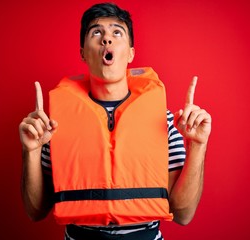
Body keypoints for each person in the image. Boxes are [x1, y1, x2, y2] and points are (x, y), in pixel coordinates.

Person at [19, 3, 212, 240]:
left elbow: (184, 215)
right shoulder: (54, 126)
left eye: (117, 32)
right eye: (96, 32)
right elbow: (36, 211)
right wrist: (31, 151)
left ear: (131, 52)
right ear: (82, 52)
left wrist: (198, 145)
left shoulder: (164, 120)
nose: (106, 40)